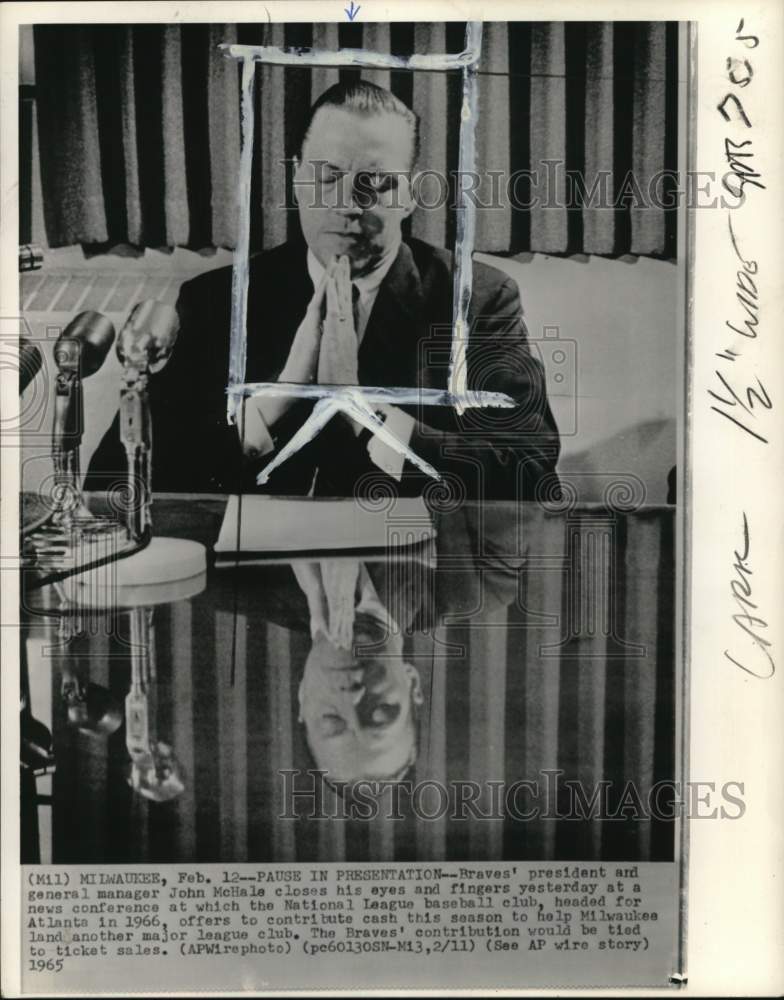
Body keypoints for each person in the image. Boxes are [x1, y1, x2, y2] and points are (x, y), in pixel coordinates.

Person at [86, 80, 560, 500]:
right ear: (296, 177)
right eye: (328, 176)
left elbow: (532, 471)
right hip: (259, 586)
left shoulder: (478, 300)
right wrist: (275, 401)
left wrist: (366, 413)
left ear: (410, 195)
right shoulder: (216, 301)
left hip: (413, 583)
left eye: (375, 183)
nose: (347, 205)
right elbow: (113, 481)